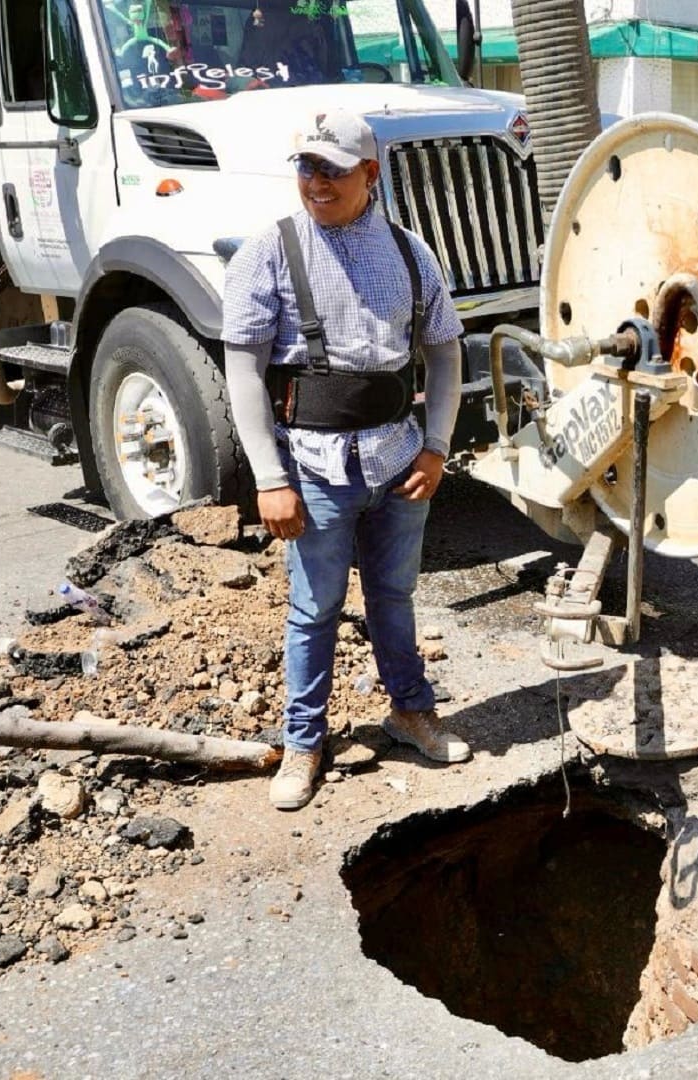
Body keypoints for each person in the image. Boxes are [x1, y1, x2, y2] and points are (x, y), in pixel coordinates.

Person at [222, 112, 471, 812]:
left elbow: (445, 352)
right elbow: (242, 371)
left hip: (398, 461)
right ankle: (304, 742)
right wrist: (271, 479)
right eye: (307, 167)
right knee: (314, 609)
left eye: (333, 169)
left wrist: (437, 446)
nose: (317, 182)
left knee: (394, 595)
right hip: (313, 465)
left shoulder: (411, 252)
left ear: (370, 173)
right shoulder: (270, 252)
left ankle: (410, 711)